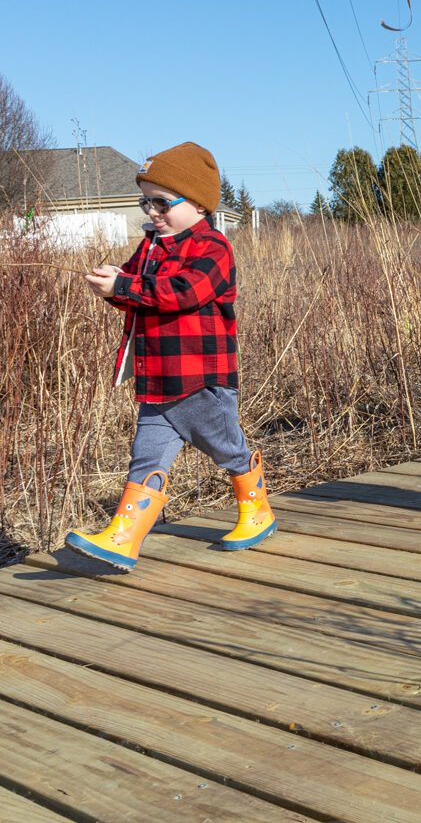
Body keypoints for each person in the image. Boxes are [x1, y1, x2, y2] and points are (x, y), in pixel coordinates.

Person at [66, 141, 276, 569]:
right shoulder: (149, 247)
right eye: (146, 202)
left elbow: (183, 293)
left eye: (162, 202)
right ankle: (122, 539)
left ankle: (257, 511)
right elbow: (138, 296)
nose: (152, 213)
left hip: (200, 380)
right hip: (158, 379)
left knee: (227, 449)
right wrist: (115, 283)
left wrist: (125, 287)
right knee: (146, 455)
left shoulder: (212, 248)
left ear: (198, 204)